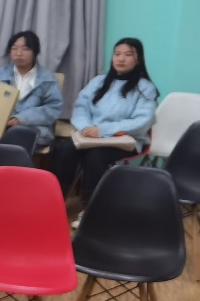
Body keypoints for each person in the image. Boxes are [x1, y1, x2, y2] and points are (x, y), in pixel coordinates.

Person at [52, 38, 157, 213]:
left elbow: (142, 121)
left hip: (125, 139)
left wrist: (104, 130)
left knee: (95, 156)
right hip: (90, 136)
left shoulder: (145, 87)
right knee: (64, 149)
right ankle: (54, 199)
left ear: (138, 59)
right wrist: (85, 127)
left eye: (128, 54)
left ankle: (90, 209)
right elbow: (81, 108)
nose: (121, 59)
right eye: (117, 54)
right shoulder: (98, 81)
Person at [0, 30, 63, 147]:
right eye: (14, 48)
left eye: (25, 49)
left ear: (35, 51)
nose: (18, 53)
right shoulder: (0, 74)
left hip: (32, 126)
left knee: (16, 137)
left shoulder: (47, 79)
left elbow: (53, 108)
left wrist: (21, 119)